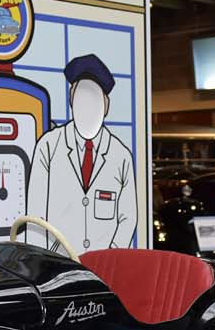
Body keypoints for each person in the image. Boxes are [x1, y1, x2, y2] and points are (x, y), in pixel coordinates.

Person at [26, 54, 137, 253]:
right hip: (58, 264)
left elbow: (128, 217)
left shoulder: (121, 156)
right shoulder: (49, 146)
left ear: (106, 106)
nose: (87, 108)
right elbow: (35, 215)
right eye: (81, 100)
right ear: (71, 100)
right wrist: (40, 262)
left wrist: (113, 257)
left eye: (94, 101)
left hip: (104, 267)